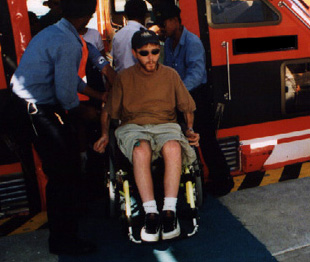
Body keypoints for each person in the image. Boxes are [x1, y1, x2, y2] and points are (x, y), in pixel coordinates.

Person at [10, 0, 115, 255]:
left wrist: (98, 96)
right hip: (34, 110)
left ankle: (67, 222)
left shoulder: (55, 32)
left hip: (29, 105)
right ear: (86, 17)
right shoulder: (69, 42)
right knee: (62, 173)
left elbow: (70, 80)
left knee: (64, 169)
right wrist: (91, 112)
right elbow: (67, 95)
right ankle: (63, 239)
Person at [94, 30, 199, 242]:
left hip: (165, 124)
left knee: (172, 146)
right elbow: (107, 111)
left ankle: (169, 213)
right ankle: (151, 213)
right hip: (133, 126)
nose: (150, 57)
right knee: (141, 149)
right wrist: (105, 135)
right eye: (144, 53)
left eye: (155, 51)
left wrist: (189, 129)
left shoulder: (170, 75)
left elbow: (187, 107)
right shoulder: (124, 77)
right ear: (134, 53)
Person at [155, 3, 234, 196]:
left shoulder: (192, 42)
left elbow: (196, 75)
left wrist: (176, 93)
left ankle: (224, 182)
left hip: (196, 96)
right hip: (180, 97)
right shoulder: (169, 44)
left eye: (163, 23)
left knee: (206, 140)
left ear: (175, 21)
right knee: (189, 140)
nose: (161, 28)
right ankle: (197, 181)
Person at [111, 0, 148, 72]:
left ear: (126, 15)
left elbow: (115, 60)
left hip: (121, 79)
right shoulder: (144, 34)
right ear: (145, 14)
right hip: (139, 79)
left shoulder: (118, 35)